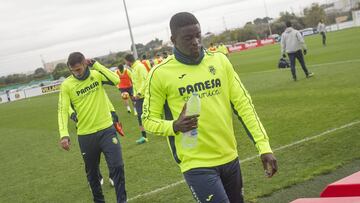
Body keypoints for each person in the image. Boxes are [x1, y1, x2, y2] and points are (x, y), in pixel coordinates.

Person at [142, 12, 277, 203]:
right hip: (196, 164)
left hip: (230, 157)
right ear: (173, 40)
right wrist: (173, 126)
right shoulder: (159, 74)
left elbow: (244, 105)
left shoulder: (220, 61)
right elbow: (147, 120)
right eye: (188, 38)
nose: (196, 42)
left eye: (198, 35)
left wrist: (264, 147)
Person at [58, 52, 126, 203]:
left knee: (118, 166)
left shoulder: (96, 74)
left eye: (79, 69)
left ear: (84, 64)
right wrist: (64, 134)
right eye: (72, 70)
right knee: (93, 175)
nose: (76, 73)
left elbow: (116, 80)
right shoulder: (67, 85)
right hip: (86, 135)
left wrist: (96, 64)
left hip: (107, 130)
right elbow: (62, 109)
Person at [124, 54, 149, 144]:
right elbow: (136, 83)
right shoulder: (134, 68)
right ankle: (144, 137)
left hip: (143, 96)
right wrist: (135, 95)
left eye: (125, 62)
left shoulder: (140, 67)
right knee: (140, 116)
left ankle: (146, 136)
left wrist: (139, 93)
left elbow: (145, 80)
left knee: (147, 115)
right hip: (138, 97)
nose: (125, 63)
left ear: (128, 61)